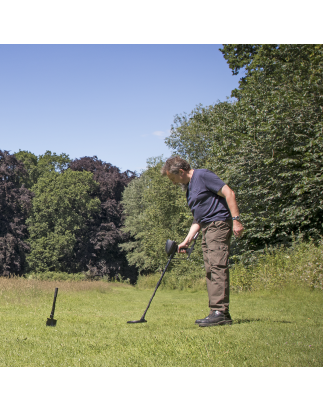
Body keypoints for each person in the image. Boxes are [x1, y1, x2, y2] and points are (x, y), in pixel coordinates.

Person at [161, 156, 244, 327]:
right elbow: (197, 219)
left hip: (219, 224)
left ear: (181, 172)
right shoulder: (190, 188)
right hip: (207, 227)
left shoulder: (203, 176)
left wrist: (236, 220)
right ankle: (217, 312)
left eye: (172, 178)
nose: (173, 182)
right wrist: (186, 241)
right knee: (210, 268)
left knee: (217, 266)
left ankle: (220, 312)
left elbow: (229, 192)